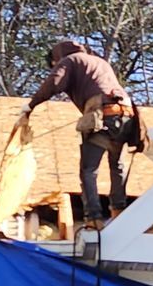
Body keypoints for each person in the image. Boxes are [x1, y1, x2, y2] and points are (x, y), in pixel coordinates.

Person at [22, 39, 142, 226]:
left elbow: (54, 83)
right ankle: (118, 211)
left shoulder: (69, 61)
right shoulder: (99, 62)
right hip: (127, 114)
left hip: (104, 114)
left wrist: (30, 106)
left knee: (88, 170)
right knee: (116, 164)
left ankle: (93, 218)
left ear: (56, 59)